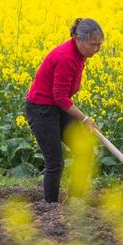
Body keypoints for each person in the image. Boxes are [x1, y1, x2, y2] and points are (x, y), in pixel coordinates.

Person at [25, 18, 104, 203]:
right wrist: (84, 119)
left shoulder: (79, 55)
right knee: (55, 162)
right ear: (79, 39)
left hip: (57, 108)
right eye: (94, 45)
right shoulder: (66, 57)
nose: (97, 49)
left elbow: (61, 98)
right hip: (41, 110)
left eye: (100, 45)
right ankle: (50, 207)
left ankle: (74, 200)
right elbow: (60, 97)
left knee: (84, 150)